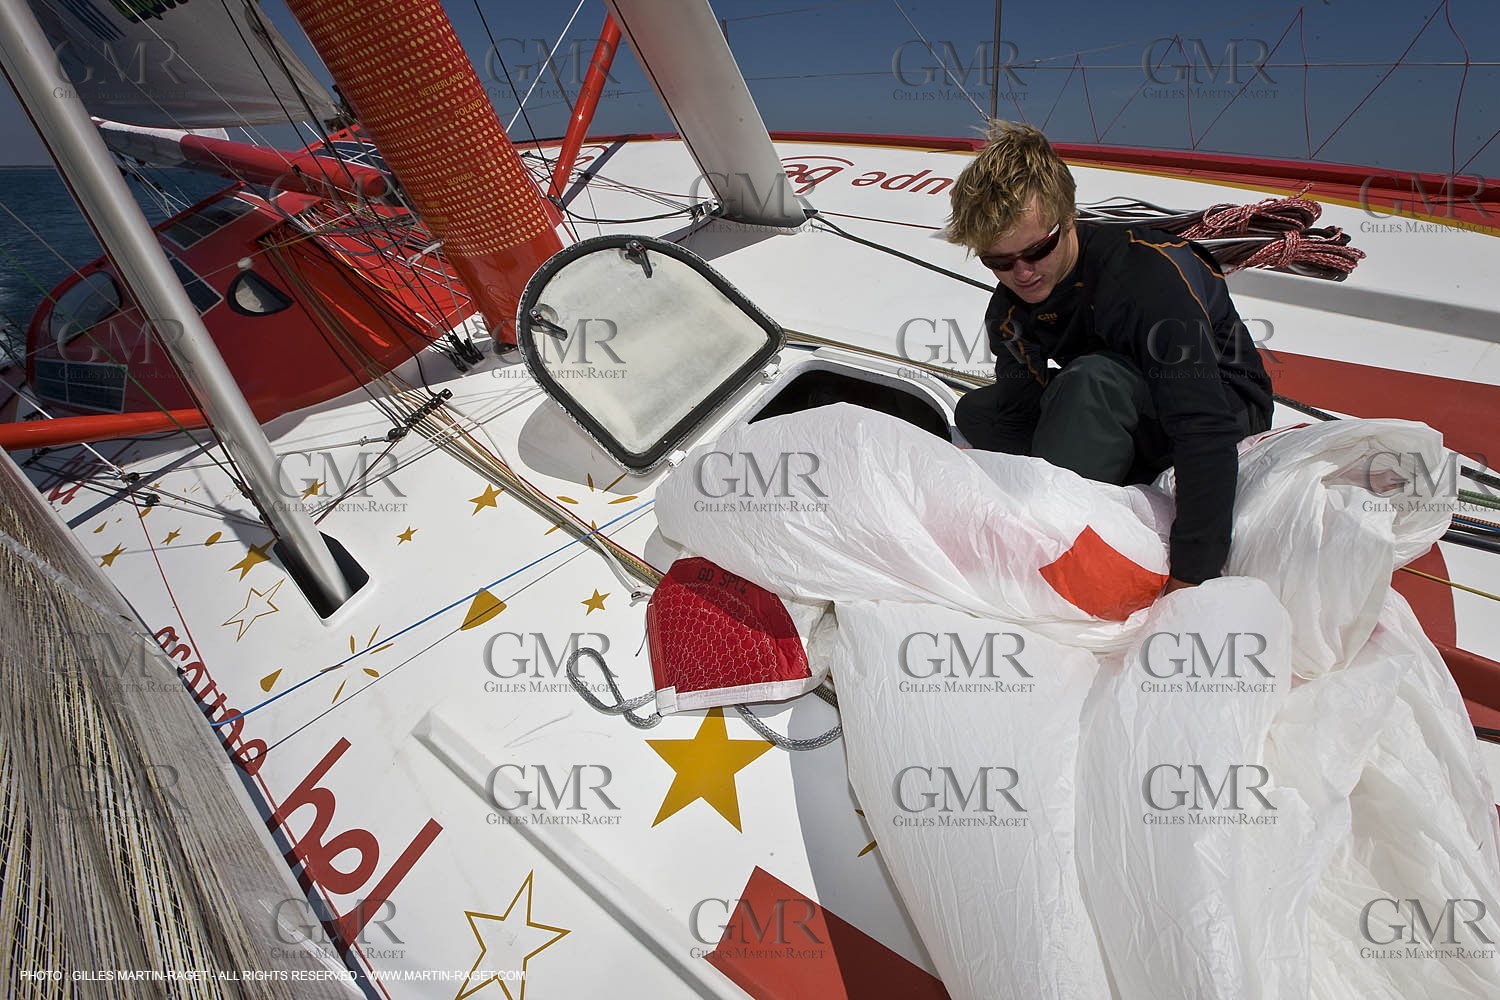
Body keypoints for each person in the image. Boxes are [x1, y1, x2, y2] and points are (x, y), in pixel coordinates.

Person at [946, 121, 1273, 593]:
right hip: (1127, 396)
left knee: (1091, 384)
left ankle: (1056, 544)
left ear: (1068, 219)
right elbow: (1018, 405)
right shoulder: (1010, 312)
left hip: (1223, 406)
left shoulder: (1146, 278)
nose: (1022, 273)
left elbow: (1204, 423)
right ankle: (1092, 474)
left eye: (1037, 250)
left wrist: (1191, 575)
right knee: (977, 410)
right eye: (999, 262)